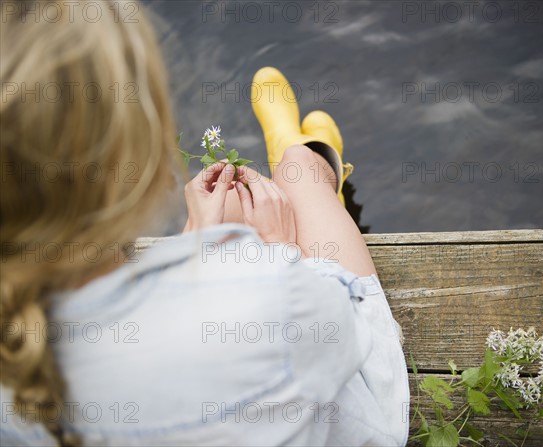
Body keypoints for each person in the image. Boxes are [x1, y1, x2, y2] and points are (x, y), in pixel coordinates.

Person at [0, 1, 410, 445]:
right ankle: (310, 161)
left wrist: (197, 242)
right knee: (297, 174)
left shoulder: (17, 359)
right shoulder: (285, 301)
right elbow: (341, 333)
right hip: (346, 406)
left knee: (230, 225)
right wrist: (281, 252)